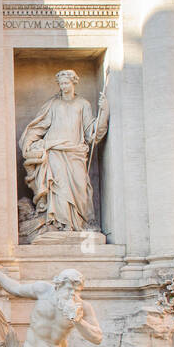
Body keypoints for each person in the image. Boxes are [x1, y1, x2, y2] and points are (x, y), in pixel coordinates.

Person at [20, 69, 109, 233]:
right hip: (55, 151)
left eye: (66, 83)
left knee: (80, 187)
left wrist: (104, 112)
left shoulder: (83, 104)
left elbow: (91, 133)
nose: (63, 86)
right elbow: (39, 126)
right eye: (61, 84)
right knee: (58, 187)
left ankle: (80, 224)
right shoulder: (53, 104)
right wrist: (29, 141)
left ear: (74, 83)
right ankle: (60, 224)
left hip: (76, 152)